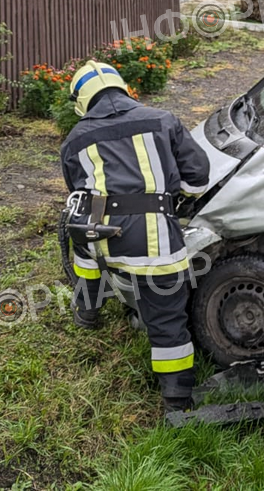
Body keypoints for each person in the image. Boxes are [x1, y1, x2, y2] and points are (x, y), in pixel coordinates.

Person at [61, 61, 211, 412]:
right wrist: (177, 199)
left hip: (102, 239)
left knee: (84, 249)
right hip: (155, 243)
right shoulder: (163, 119)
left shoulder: (74, 139)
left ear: (82, 100)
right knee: (166, 319)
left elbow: (78, 194)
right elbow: (198, 177)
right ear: (123, 87)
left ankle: (87, 311)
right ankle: (176, 401)